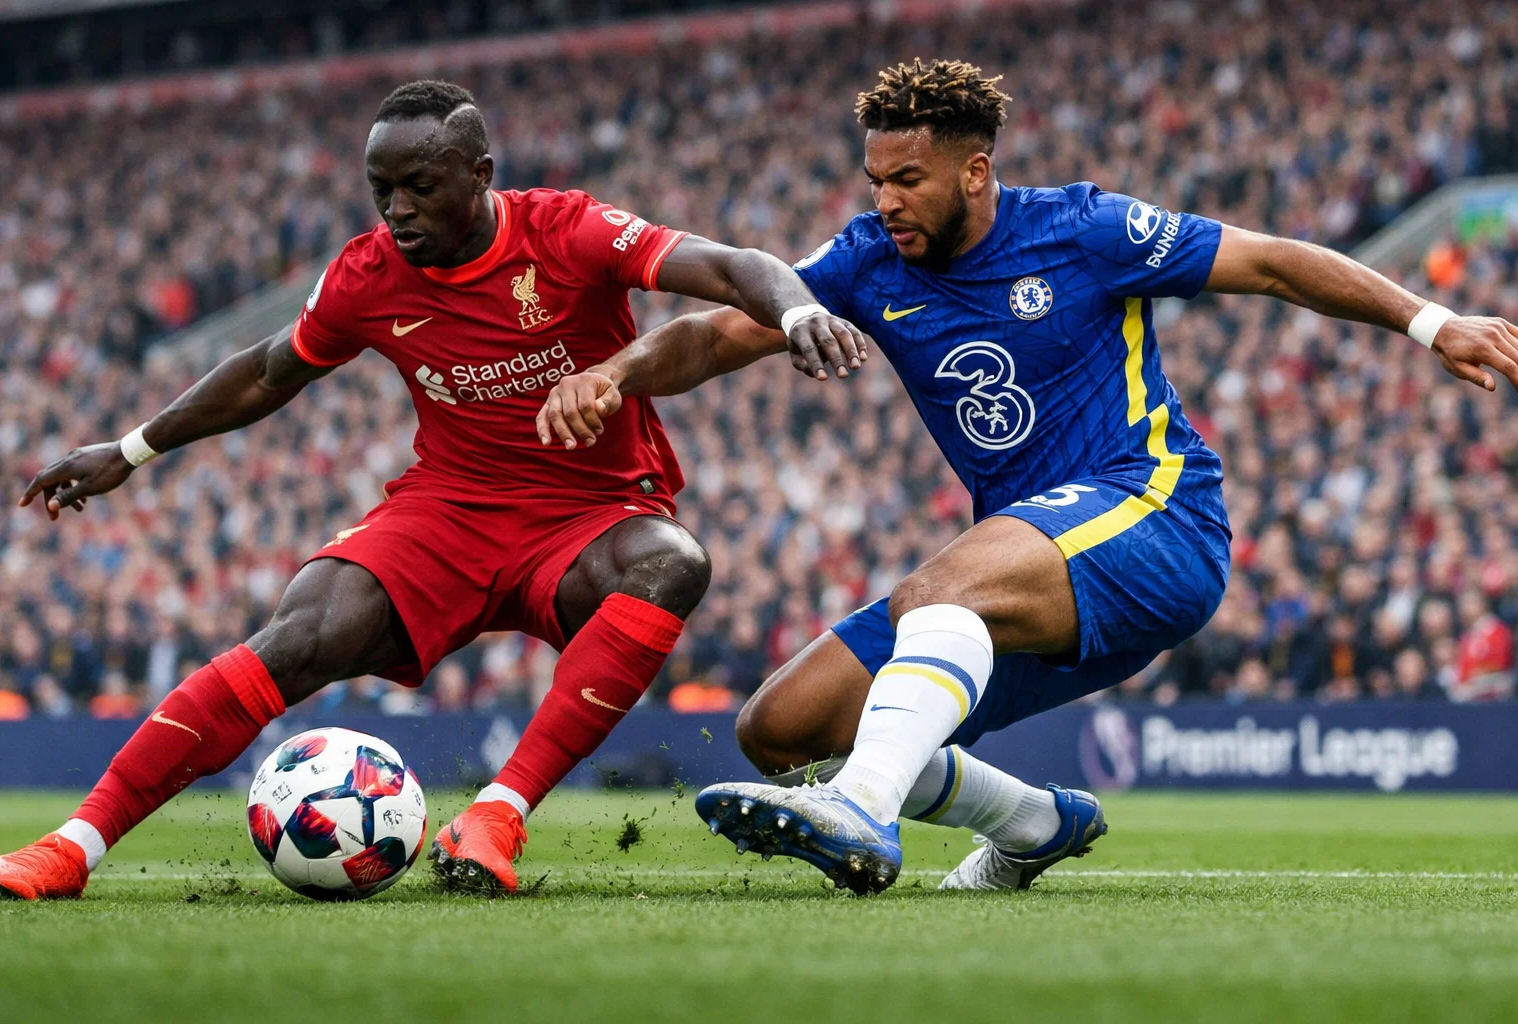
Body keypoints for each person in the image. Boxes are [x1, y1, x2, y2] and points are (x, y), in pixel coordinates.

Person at [533, 58, 1518, 894]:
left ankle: (862, 811)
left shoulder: (1082, 230)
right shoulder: (870, 260)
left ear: (977, 170)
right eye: (875, 177)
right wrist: (615, 372)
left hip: (1157, 518)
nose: (885, 200)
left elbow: (1268, 263)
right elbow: (718, 332)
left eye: (908, 178)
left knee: (940, 590)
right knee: (783, 725)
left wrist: (1432, 323)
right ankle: (1033, 823)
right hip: (1033, 567)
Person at [0, 79, 862, 901]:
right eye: (381, 190)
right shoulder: (368, 275)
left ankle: (495, 818)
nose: (397, 210)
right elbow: (263, 373)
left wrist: (795, 313)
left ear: (479, 176)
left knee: (672, 562)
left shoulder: (566, 231)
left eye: (419, 185)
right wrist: (131, 449)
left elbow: (729, 264)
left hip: (591, 516)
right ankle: (69, 849)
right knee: (302, 631)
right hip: (448, 509)